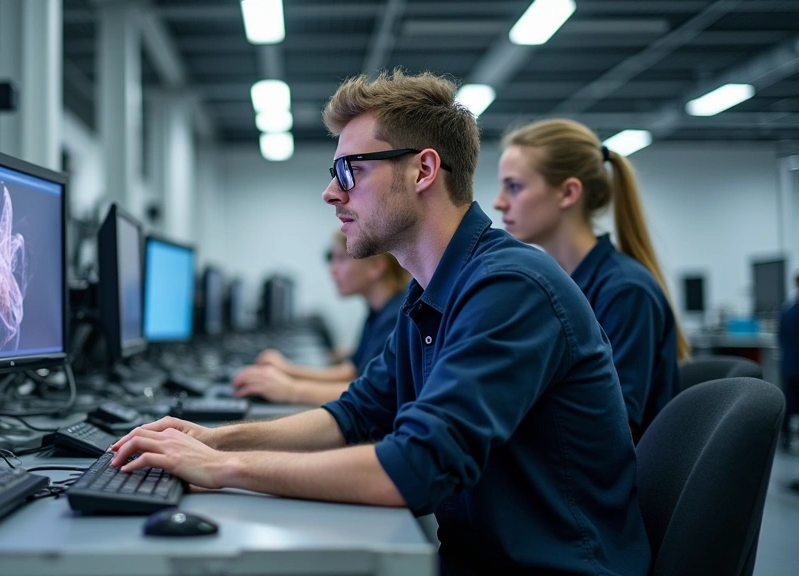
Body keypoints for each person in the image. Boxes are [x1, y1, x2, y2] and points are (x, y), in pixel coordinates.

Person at [111, 70, 650, 575]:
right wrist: (216, 440)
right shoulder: (434, 288)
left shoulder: (511, 288)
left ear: (423, 170)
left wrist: (223, 470)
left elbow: (416, 467)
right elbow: (357, 414)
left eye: (352, 170)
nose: (331, 192)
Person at [493, 118, 688, 442]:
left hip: (602, 485)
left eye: (514, 186)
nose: (500, 202)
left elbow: (614, 428)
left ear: (568, 193)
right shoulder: (559, 287)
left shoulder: (625, 291)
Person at [232, 232, 410, 404]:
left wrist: (291, 390)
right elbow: (353, 372)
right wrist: (287, 371)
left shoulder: (397, 317)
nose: (332, 269)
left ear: (376, 266)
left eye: (341, 258)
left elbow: (374, 394)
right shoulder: (378, 313)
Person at [780, 272, 799, 451]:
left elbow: (781, 339)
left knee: (789, 402)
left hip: (789, 367)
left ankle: (785, 437)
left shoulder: (786, 312)